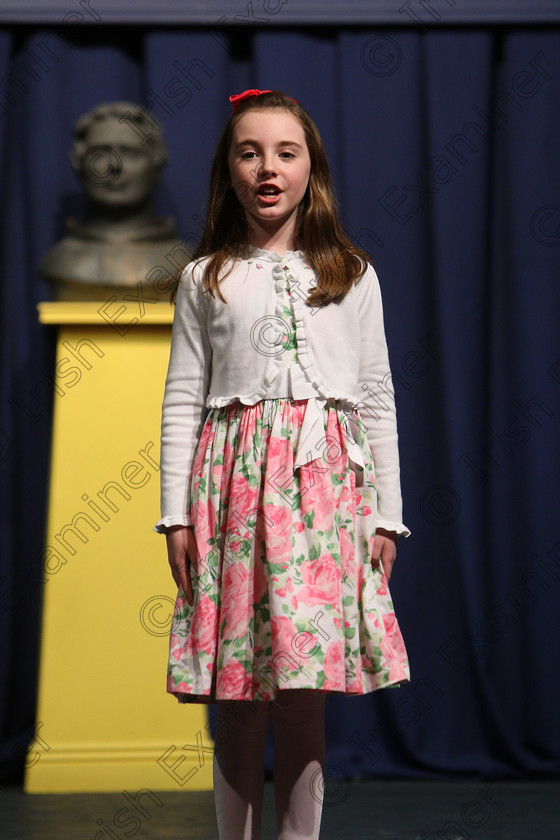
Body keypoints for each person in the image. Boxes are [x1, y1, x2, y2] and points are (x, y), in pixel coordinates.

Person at [154, 89, 411, 840]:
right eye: (250, 151)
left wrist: (385, 514)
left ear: (311, 169)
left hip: (324, 498)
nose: (268, 168)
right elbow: (181, 400)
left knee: (304, 693)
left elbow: (375, 398)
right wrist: (173, 513)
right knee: (239, 694)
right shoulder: (207, 278)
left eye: (286, 152)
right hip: (231, 493)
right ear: (229, 170)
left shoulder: (352, 274)